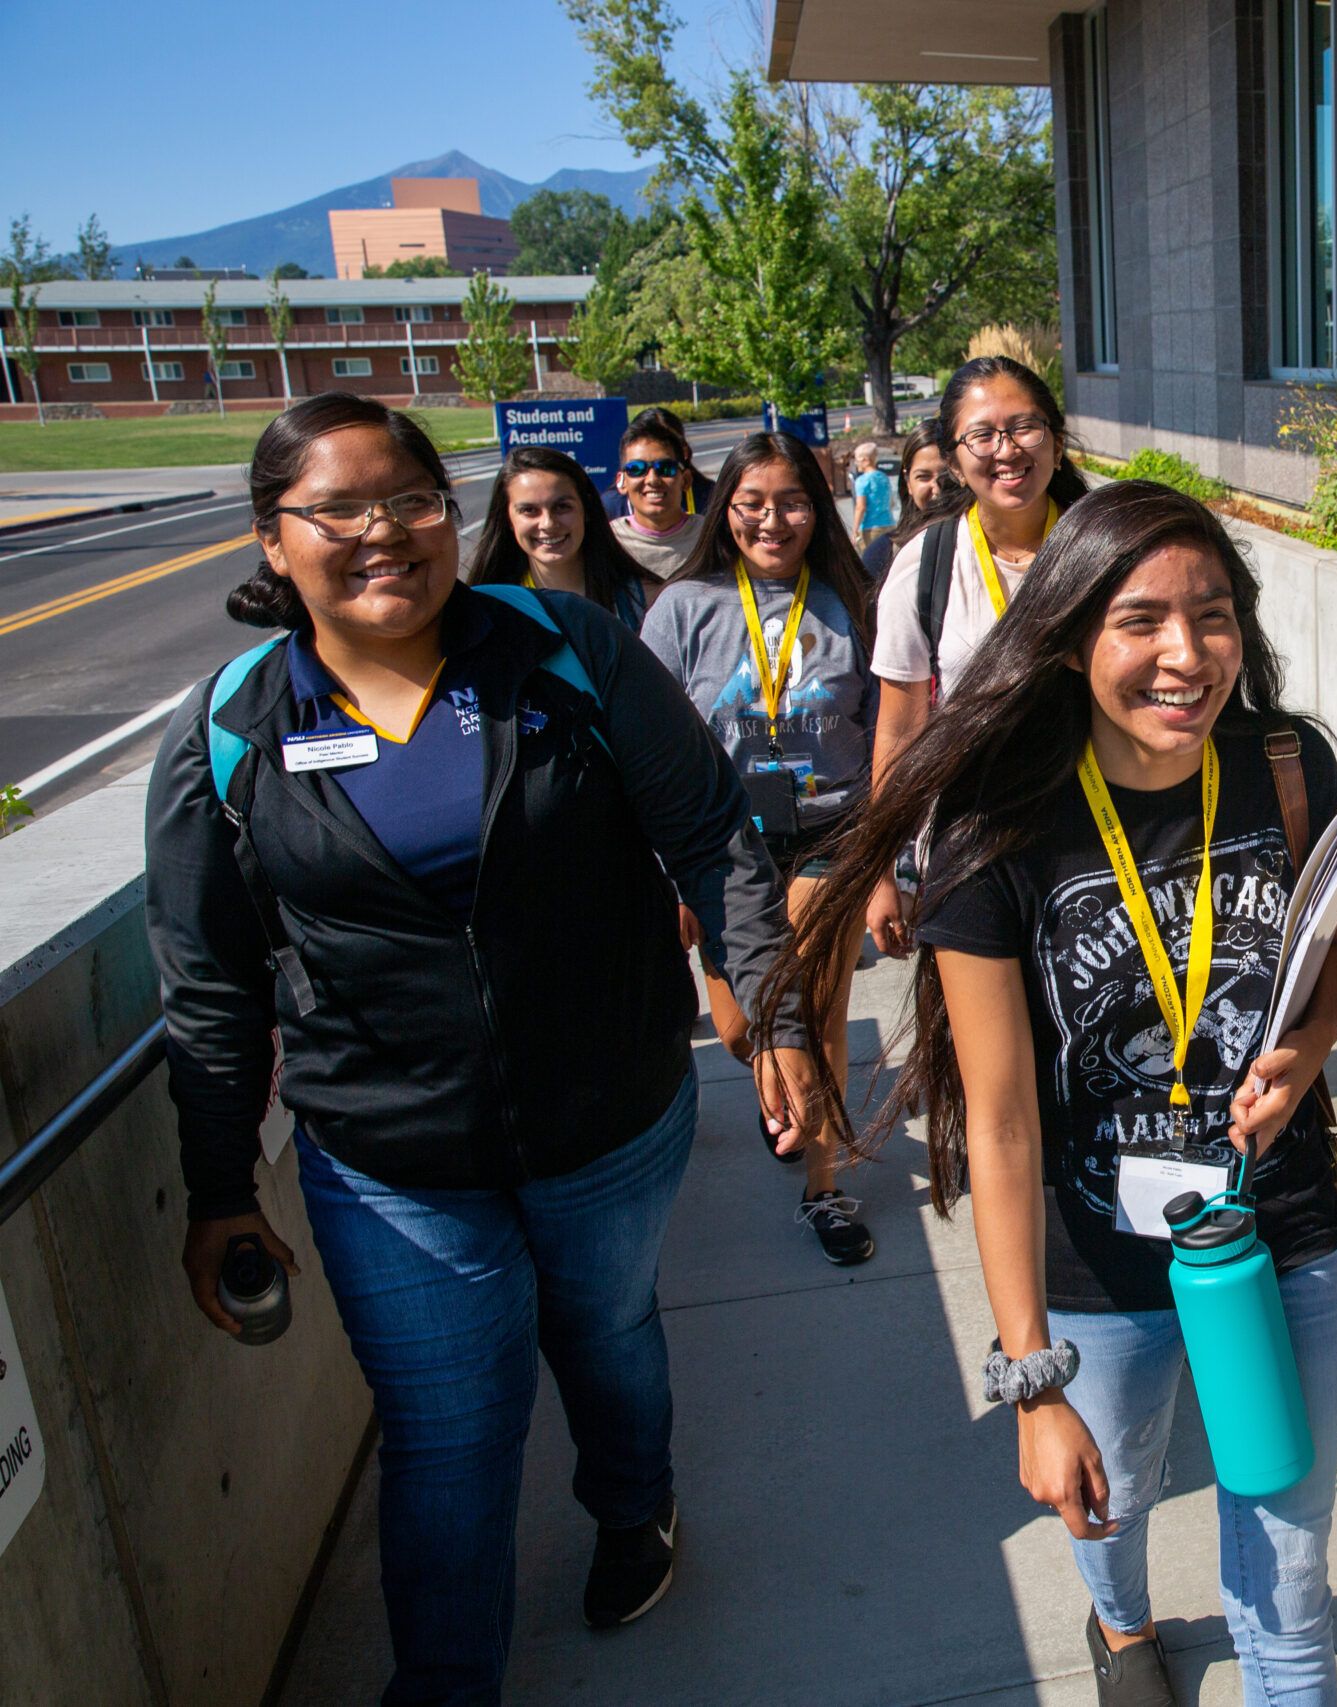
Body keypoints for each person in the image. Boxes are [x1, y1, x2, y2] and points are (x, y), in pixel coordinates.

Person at [144, 391, 824, 1703]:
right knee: (448, 1436)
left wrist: (774, 1009)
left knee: (608, 1329)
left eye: (407, 498)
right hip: (387, 1163)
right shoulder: (229, 730)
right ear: (271, 542)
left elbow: (710, 827)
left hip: (613, 1118)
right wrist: (222, 1180)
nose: (384, 531)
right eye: (336, 510)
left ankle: (636, 1507)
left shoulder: (558, 645)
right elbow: (211, 984)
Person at [775, 479, 1337, 1707]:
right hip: (1091, 1257)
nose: (1185, 654)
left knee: (1292, 1577)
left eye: (1212, 616)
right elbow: (992, 1120)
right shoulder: (998, 821)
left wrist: (1304, 1056)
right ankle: (1123, 1628)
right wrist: (1030, 1379)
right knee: (1114, 1496)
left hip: (1276, 1230)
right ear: (1070, 638)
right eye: (1141, 619)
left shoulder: (1288, 763)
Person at [641, 430, 878, 1267]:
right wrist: (667, 875)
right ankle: (776, 1080)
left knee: (815, 1009)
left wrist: (888, 860)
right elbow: (650, 746)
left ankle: (828, 1185)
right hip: (718, 846)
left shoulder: (856, 601)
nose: (773, 519)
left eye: (793, 502)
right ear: (724, 508)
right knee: (746, 1028)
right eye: (753, 503)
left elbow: (889, 737)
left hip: (831, 832)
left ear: (820, 509)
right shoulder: (682, 608)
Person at [865, 355, 1089, 960]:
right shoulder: (925, 564)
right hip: (974, 844)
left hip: (1105, 830)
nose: (1006, 449)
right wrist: (881, 870)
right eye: (982, 435)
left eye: (1024, 427)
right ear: (955, 457)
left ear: (1057, 441)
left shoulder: (1108, 546)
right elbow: (900, 727)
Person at [464, 444, 654, 628]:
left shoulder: (643, 600)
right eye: (529, 510)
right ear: (508, 519)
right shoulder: (487, 610)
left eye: (562, 507)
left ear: (586, 509)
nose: (548, 524)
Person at [611, 407, 706, 581]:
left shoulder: (710, 539)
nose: (652, 480)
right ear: (621, 481)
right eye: (636, 469)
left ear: (685, 480)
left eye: (665, 468)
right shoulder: (607, 543)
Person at [860, 421, 948, 584]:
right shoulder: (881, 555)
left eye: (946, 476)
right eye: (923, 477)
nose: (937, 489)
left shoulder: (996, 547)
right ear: (908, 482)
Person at [849, 439, 897, 553]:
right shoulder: (884, 477)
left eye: (857, 460)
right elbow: (891, 502)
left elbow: (861, 507)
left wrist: (854, 530)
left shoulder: (862, 480)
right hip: (889, 524)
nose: (856, 464)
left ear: (865, 460)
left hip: (871, 528)